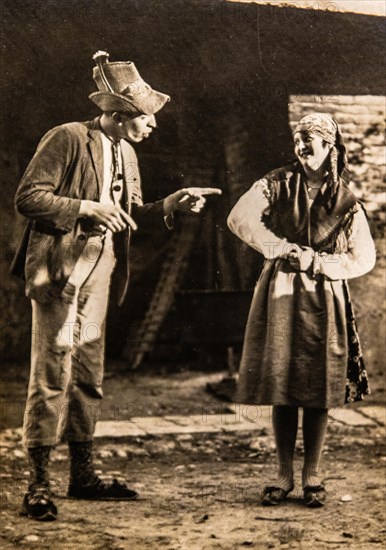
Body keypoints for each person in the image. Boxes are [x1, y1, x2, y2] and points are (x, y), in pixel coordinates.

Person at [11, 50, 221, 521]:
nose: (153, 126)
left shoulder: (126, 152)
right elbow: (29, 197)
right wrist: (87, 208)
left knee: (88, 374)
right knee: (51, 375)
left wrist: (169, 203)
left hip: (101, 272)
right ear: (118, 114)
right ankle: (39, 484)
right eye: (146, 118)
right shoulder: (68, 138)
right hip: (59, 272)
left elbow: (131, 217)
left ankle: (82, 476)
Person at [227, 113, 376, 508]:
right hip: (281, 288)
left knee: (318, 385)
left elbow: (364, 257)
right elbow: (239, 218)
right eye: (297, 139)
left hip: (324, 295)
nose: (301, 145)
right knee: (281, 381)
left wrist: (322, 264)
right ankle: (282, 474)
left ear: (330, 146)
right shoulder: (277, 183)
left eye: (309, 139)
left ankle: (312, 475)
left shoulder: (345, 201)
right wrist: (278, 248)